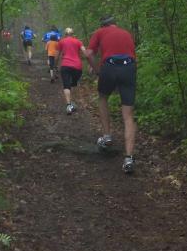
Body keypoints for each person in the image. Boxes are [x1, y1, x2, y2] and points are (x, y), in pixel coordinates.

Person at [85, 16, 137, 174]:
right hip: (129, 68)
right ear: (115, 24)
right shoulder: (126, 33)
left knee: (103, 97)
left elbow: (88, 54)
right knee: (128, 115)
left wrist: (97, 70)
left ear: (103, 25)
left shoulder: (99, 32)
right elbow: (132, 54)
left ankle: (107, 136)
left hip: (109, 66)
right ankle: (129, 158)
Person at [56, 28, 86, 114]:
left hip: (65, 65)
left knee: (66, 85)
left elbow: (57, 55)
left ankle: (68, 105)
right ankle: (73, 103)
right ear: (73, 34)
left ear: (65, 34)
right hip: (77, 66)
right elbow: (85, 52)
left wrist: (55, 65)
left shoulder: (61, 41)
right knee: (74, 84)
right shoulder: (78, 42)